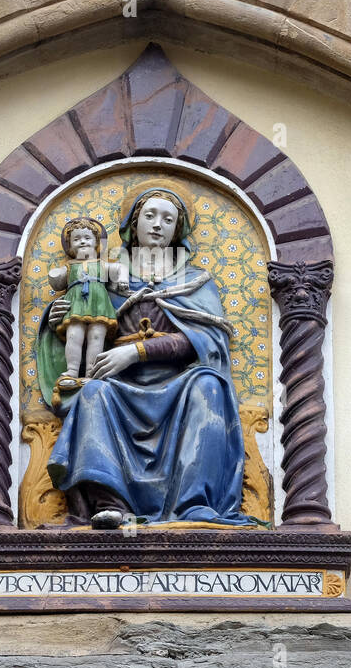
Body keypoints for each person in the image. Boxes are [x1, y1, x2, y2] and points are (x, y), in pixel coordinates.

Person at [34, 181, 254, 529]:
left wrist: (138, 351)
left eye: (168, 219)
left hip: (179, 383)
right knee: (93, 392)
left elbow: (206, 341)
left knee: (209, 386)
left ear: (178, 229)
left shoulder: (196, 281)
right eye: (149, 216)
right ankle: (111, 505)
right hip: (119, 383)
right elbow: (91, 325)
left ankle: (193, 504)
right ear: (132, 224)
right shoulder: (110, 276)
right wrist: (62, 321)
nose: (157, 224)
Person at [47, 217, 126, 394]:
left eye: (87, 238)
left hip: (98, 305)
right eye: (76, 239)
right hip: (76, 305)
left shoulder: (101, 265)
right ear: (69, 246)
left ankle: (92, 373)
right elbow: (57, 282)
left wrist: (122, 280)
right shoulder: (70, 267)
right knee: (74, 335)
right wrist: (55, 275)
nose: (82, 241)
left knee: (96, 337)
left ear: (97, 242)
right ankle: (72, 372)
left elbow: (120, 269)